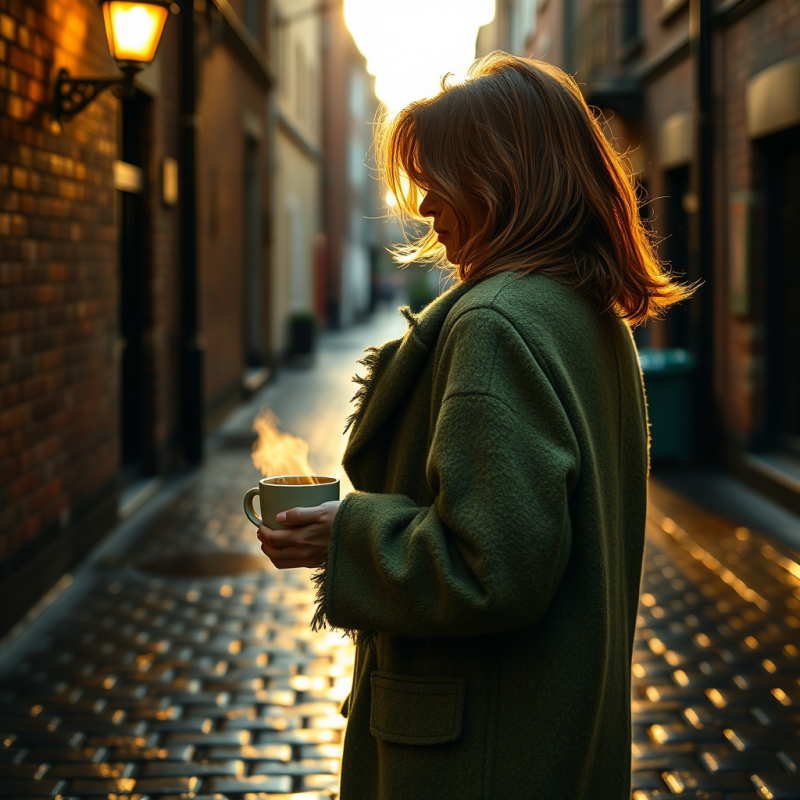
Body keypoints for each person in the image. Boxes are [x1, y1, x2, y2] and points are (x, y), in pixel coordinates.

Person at [255, 53, 691, 799]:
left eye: (440, 180)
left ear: (501, 178)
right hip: (555, 736)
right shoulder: (586, 310)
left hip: (473, 756)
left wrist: (345, 535)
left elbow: (493, 568)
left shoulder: (494, 323)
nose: (426, 206)